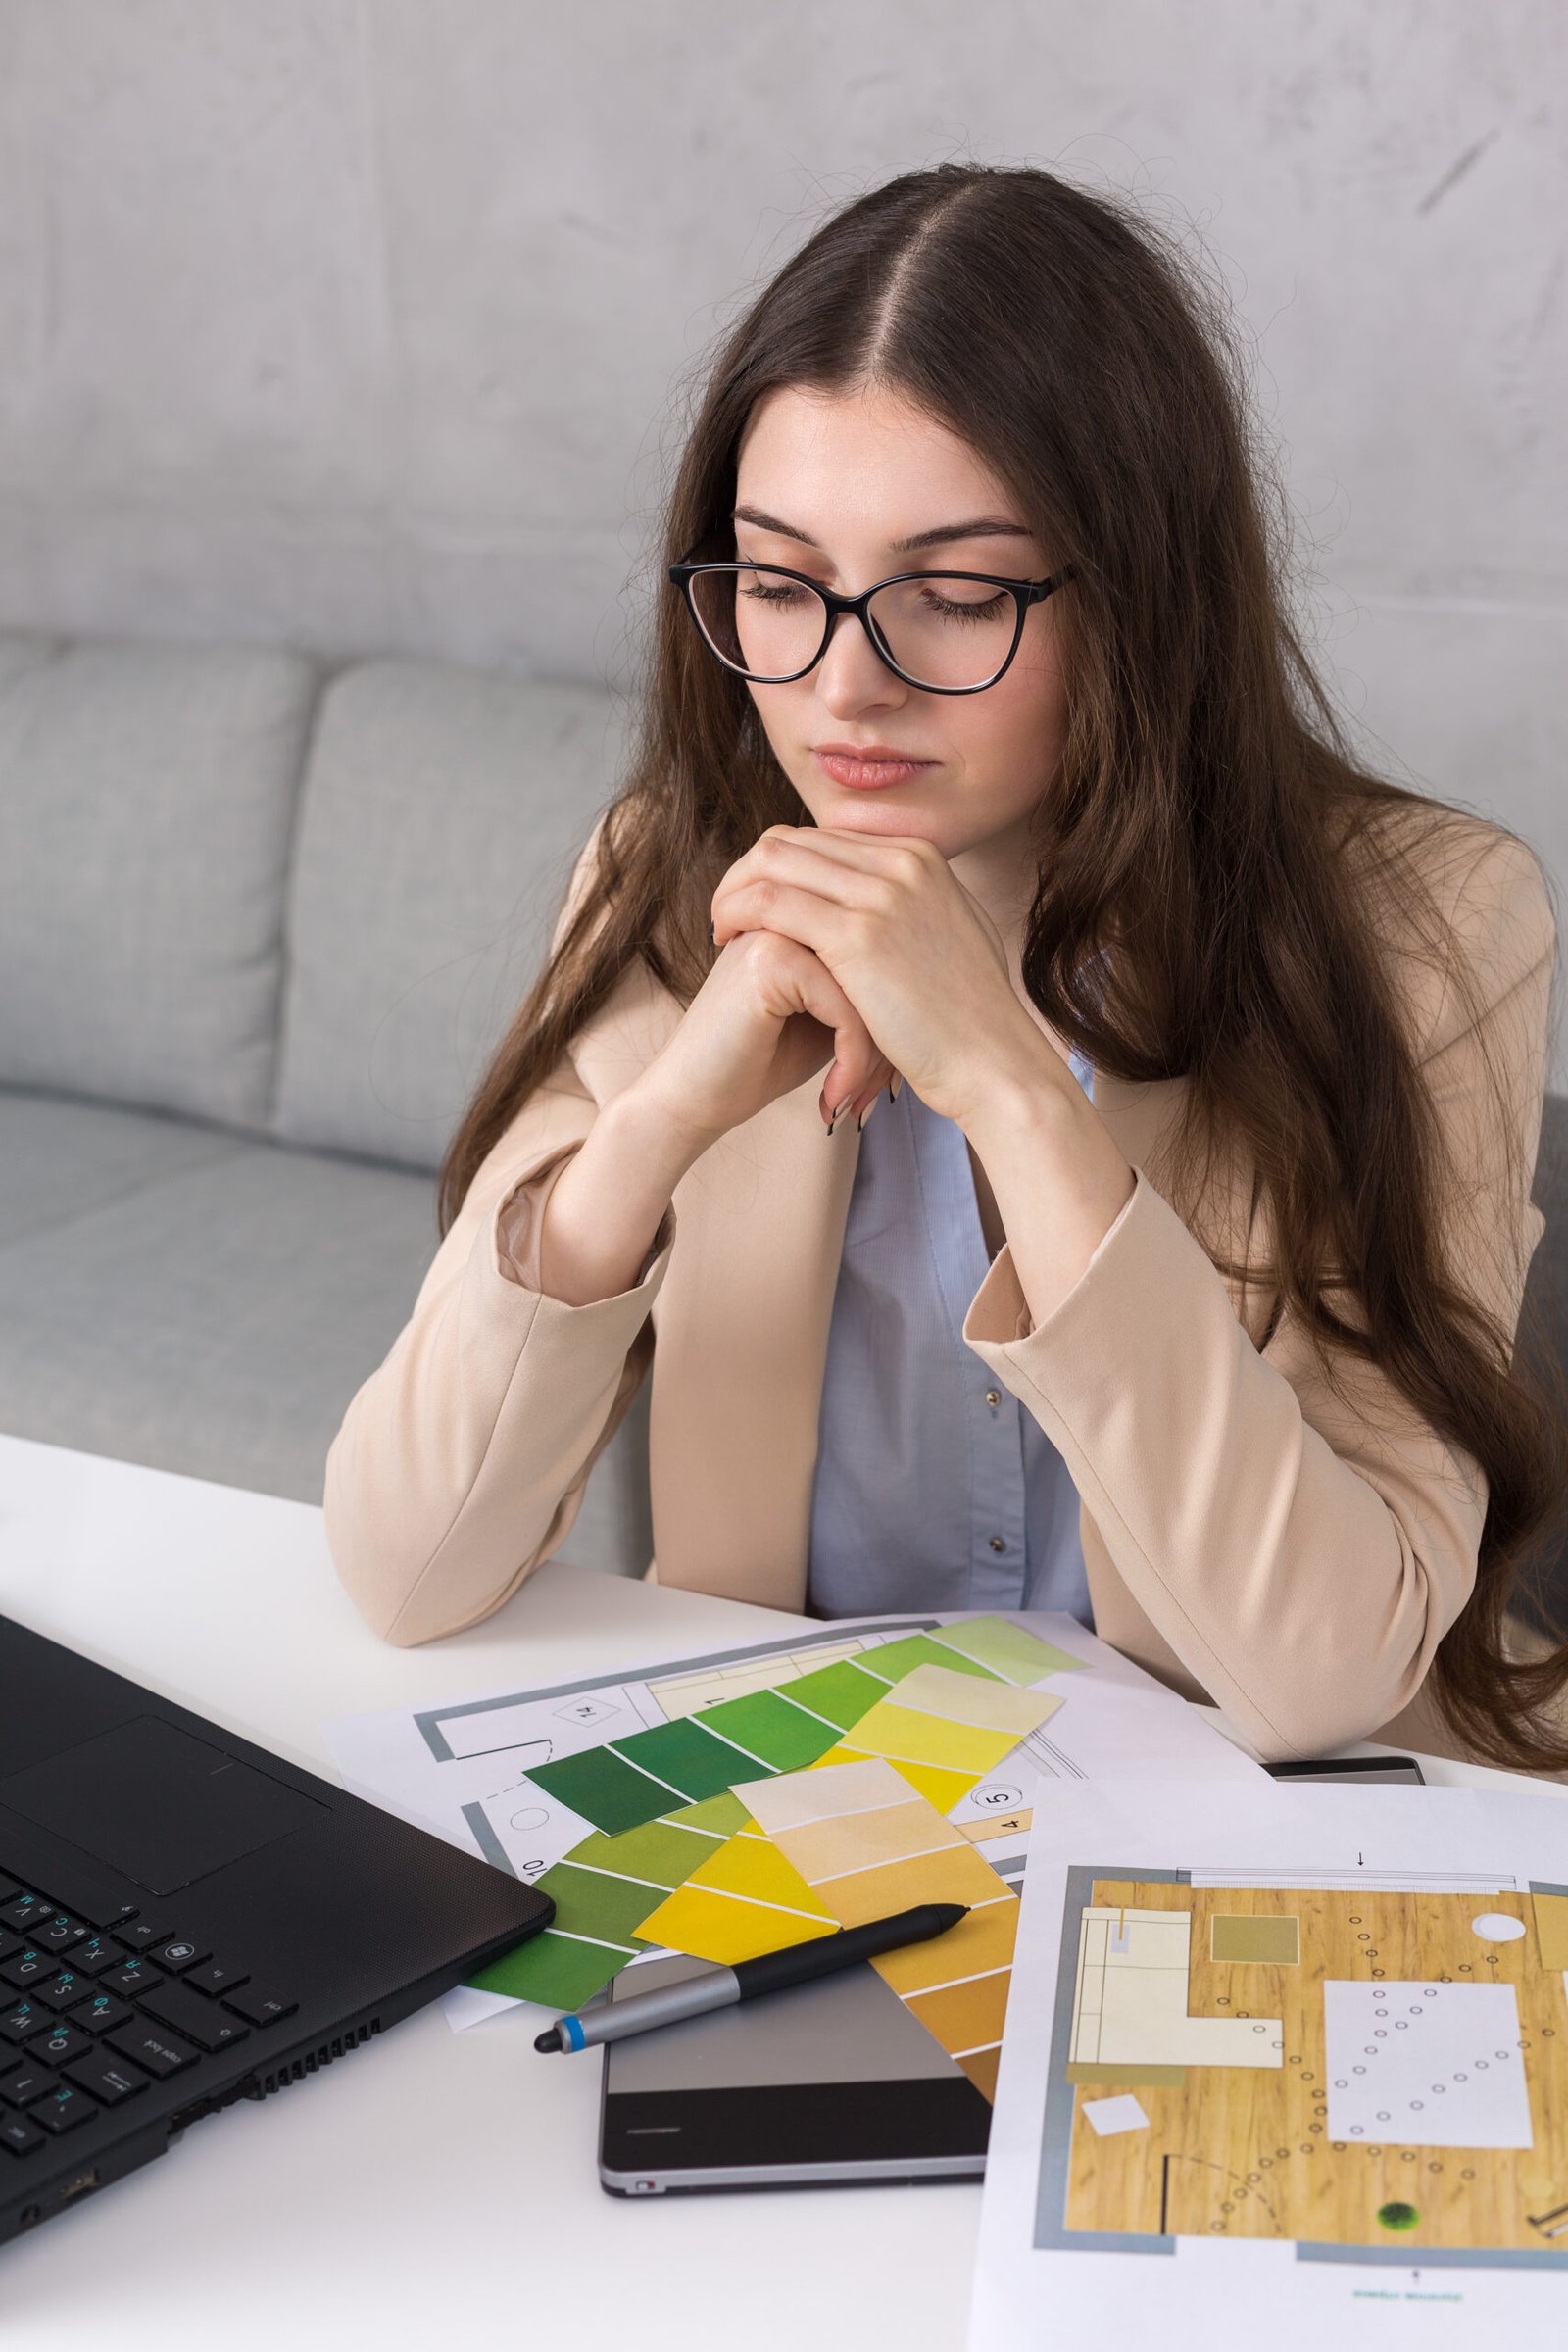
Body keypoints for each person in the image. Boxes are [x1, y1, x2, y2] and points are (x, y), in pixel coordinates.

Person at [323, 161, 1567, 1772]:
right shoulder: (667, 873)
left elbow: (1326, 1673)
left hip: (1249, 1817)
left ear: (1139, 599)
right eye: (778, 584)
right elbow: (403, 1567)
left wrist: (1009, 1091)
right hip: (811, 1798)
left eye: (958, 595)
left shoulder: (1432, 923)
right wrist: (652, 1130)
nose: (844, 687)